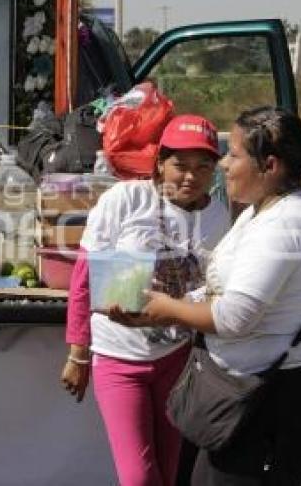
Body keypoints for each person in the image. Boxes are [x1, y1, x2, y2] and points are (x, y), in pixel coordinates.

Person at [115, 106, 301, 485]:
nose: (223, 164)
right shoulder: (260, 211)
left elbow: (234, 317)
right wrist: (165, 301)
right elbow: (225, 286)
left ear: (269, 165)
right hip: (252, 393)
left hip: (277, 400)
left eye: (234, 154)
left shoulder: (286, 224)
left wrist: (167, 310)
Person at [61, 115, 231, 486]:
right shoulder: (127, 199)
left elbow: (218, 288)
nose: (191, 177)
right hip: (119, 358)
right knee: (139, 477)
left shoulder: (219, 217)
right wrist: (78, 353)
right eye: (180, 166)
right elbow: (84, 277)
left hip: (179, 360)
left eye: (203, 167)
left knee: (168, 473)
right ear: (159, 163)